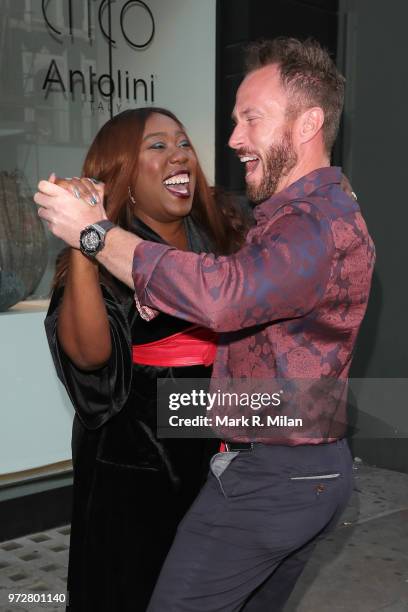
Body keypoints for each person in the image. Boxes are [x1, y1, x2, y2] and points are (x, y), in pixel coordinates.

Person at [36, 37, 375, 611]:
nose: (233, 139)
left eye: (252, 119)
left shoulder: (309, 224)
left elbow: (226, 296)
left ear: (308, 123)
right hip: (288, 468)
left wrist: (92, 236)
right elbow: (244, 300)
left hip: (273, 476)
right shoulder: (308, 214)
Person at [43, 107, 246, 612]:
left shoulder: (220, 237)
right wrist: (83, 242)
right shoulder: (104, 258)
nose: (180, 153)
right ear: (125, 176)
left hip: (216, 451)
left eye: (183, 143)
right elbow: (90, 357)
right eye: (157, 146)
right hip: (136, 466)